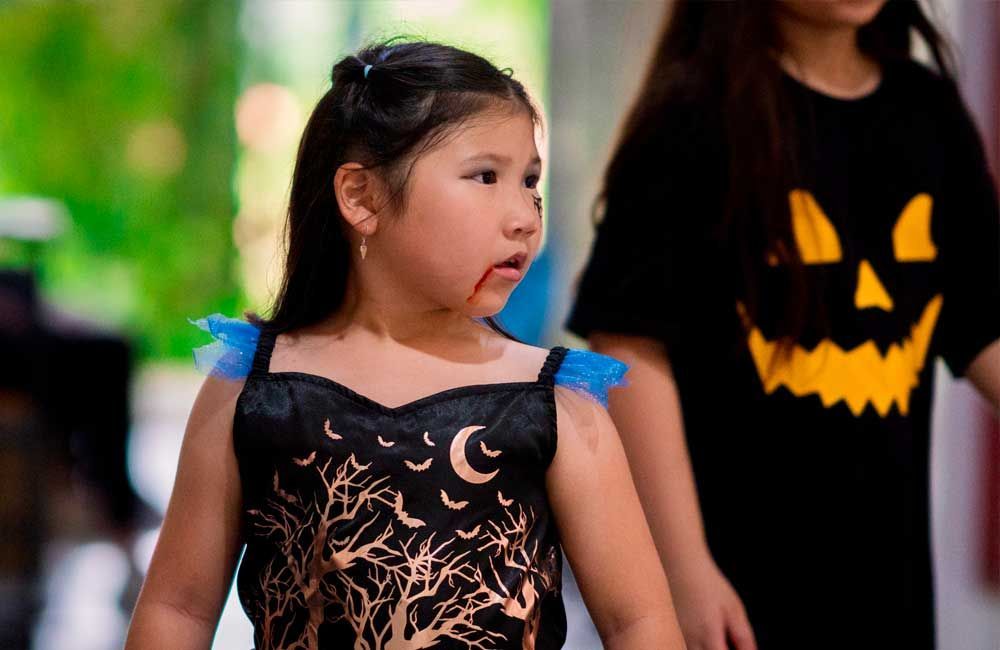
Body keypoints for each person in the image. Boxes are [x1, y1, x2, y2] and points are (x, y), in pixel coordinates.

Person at [125, 39, 685, 650]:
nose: (525, 215)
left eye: (530, 181)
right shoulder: (253, 388)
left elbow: (638, 622)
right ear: (361, 197)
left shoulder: (554, 400)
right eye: (486, 176)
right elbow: (177, 609)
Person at [567, 2, 999, 649]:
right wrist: (684, 571)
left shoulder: (928, 112)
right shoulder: (692, 116)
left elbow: (980, 321)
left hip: (889, 582)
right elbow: (629, 344)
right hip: (734, 581)